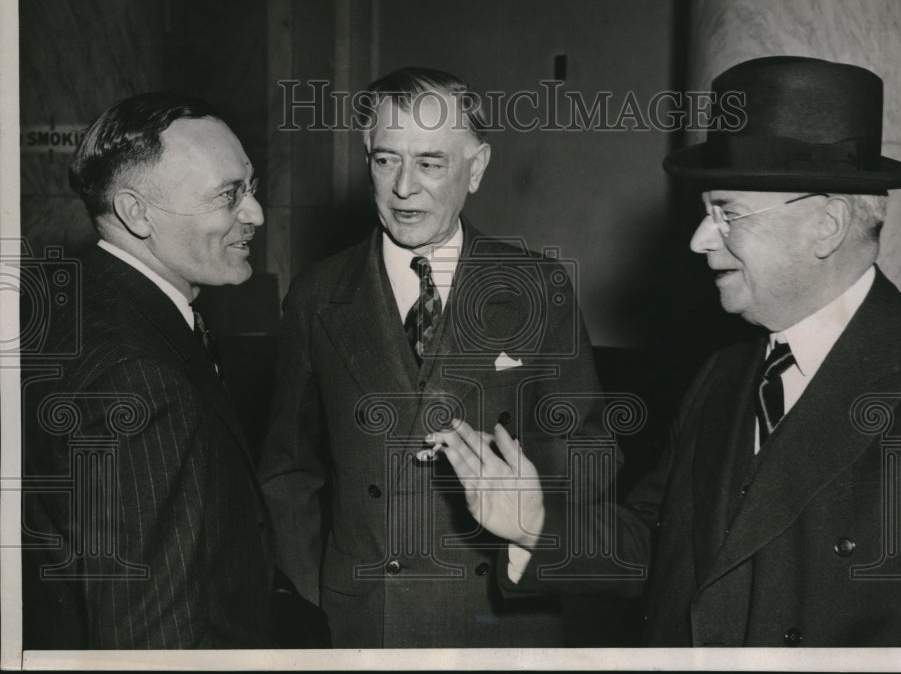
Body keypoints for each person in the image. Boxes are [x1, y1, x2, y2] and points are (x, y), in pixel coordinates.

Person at [427, 56, 901, 646]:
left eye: (727, 213)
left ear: (828, 225)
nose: (699, 239)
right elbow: (654, 549)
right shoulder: (724, 375)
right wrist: (535, 524)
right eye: (704, 211)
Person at [258, 66, 612, 647]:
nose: (403, 187)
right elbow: (288, 472)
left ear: (476, 169)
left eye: (429, 162)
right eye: (385, 159)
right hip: (360, 622)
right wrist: (305, 606)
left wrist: (529, 541)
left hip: (498, 619)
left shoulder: (536, 286)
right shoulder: (317, 294)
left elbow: (586, 450)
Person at [21, 93, 274, 648]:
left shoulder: (68, 299)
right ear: (137, 213)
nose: (255, 213)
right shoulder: (136, 377)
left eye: (250, 186)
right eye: (228, 196)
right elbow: (147, 637)